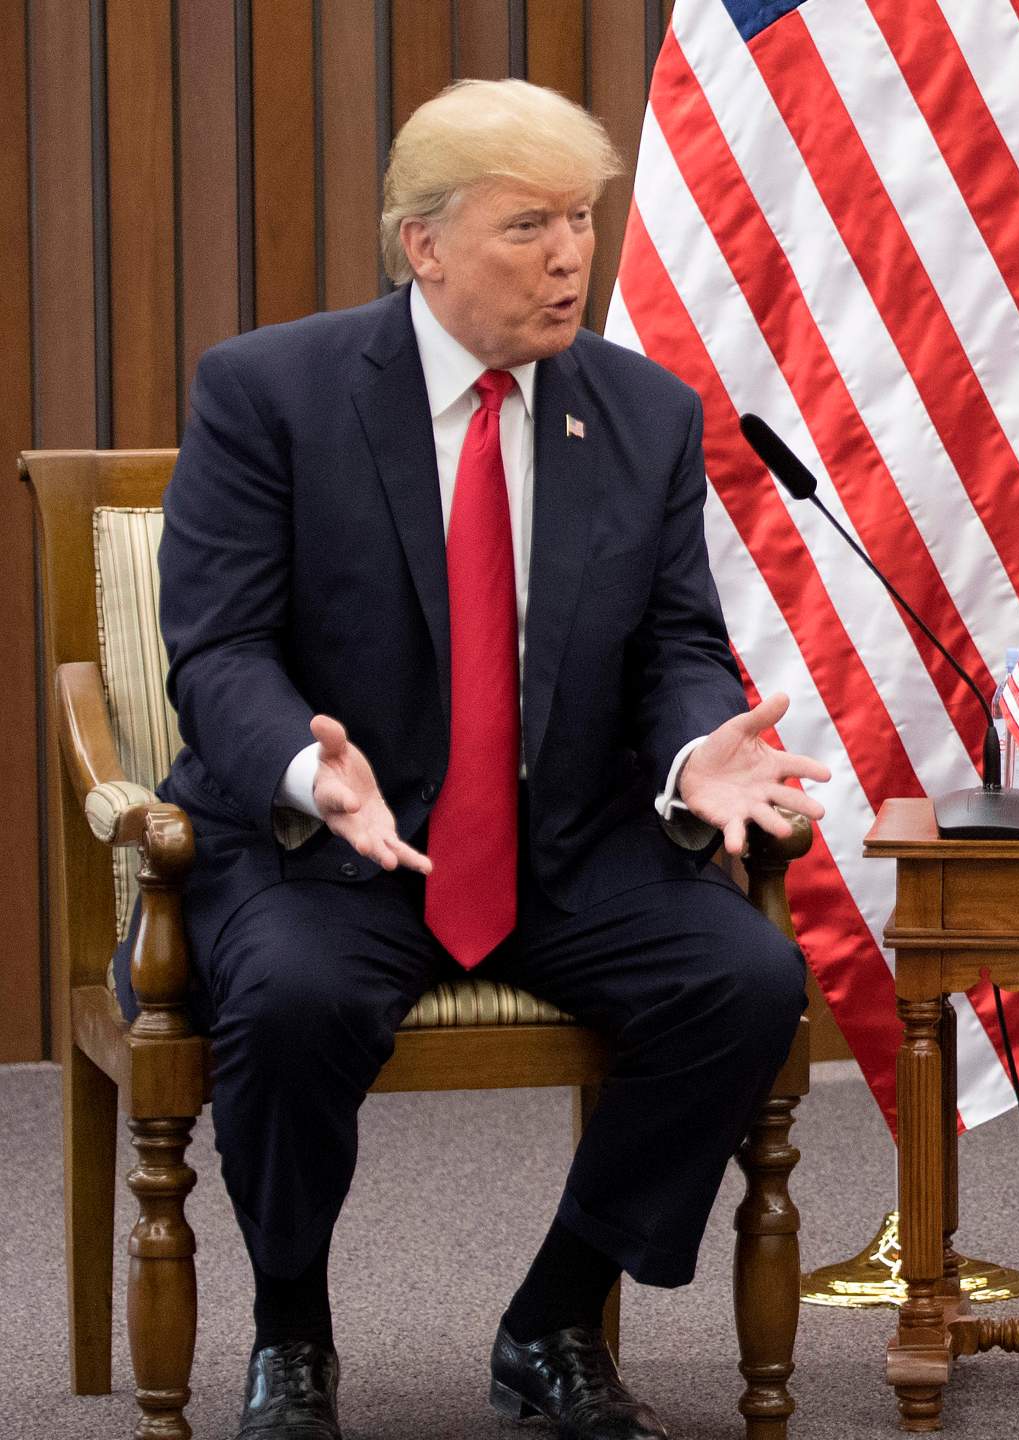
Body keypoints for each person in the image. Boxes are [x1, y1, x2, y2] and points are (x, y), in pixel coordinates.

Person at [148, 79, 827, 1440]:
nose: (571, 257)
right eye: (528, 227)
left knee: (748, 978)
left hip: (562, 844)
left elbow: (678, 646)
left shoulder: (639, 414)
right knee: (285, 1006)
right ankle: (292, 1332)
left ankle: (555, 1318)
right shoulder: (268, 394)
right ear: (426, 244)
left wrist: (697, 752)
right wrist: (303, 769)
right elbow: (217, 650)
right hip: (334, 854)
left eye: (582, 221)